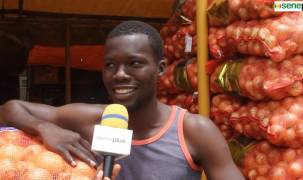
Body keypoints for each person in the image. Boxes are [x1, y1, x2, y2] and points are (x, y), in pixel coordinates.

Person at [0, 21, 244, 180]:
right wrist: (46, 128)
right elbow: (10, 109)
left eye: (134, 63)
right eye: (110, 65)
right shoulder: (89, 119)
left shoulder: (193, 130)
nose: (119, 75)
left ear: (160, 69)